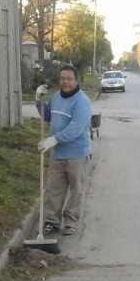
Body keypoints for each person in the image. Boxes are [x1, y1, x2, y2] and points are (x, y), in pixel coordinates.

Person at [35, 64, 92, 236]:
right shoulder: (57, 98)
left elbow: (76, 128)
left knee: (76, 189)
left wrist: (53, 140)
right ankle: (52, 222)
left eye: (69, 79)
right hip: (57, 154)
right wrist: (39, 100)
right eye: (62, 79)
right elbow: (47, 116)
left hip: (77, 154)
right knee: (54, 189)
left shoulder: (82, 101)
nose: (65, 82)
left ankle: (70, 221)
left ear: (76, 80)